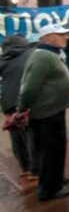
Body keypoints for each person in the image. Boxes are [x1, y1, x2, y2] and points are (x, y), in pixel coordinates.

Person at [17, 24, 69, 201]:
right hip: (46, 113)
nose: (65, 37)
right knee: (50, 151)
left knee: (56, 149)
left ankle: (56, 179)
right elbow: (29, 87)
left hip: (53, 110)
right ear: (46, 38)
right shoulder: (43, 57)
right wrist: (22, 109)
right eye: (60, 34)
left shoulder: (51, 54)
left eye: (65, 34)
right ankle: (48, 190)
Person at [0, 36, 37, 181]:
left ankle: (25, 168)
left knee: (16, 135)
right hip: (25, 100)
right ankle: (36, 169)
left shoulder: (3, 59)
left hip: (8, 102)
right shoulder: (31, 54)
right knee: (31, 135)